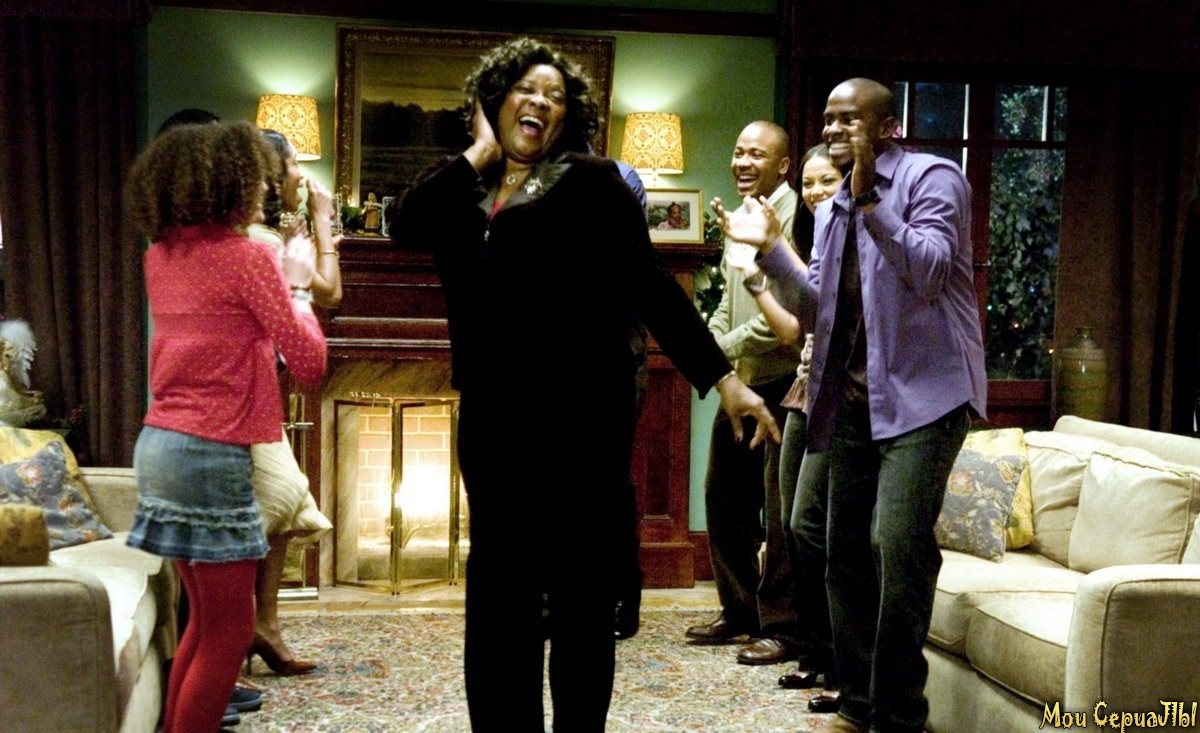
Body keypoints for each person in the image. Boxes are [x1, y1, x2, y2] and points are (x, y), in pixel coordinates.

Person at [391, 37, 780, 732]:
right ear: (493, 100)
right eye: (526, 90)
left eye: (556, 97)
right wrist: (480, 152)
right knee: (499, 600)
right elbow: (403, 225)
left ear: (569, 117)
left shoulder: (592, 183)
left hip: (580, 426)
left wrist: (723, 379)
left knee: (579, 604)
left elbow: (652, 286)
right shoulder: (461, 190)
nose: (541, 103)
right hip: (493, 425)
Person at [716, 77, 986, 733]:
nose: (833, 129)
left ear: (888, 127)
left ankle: (898, 713)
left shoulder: (933, 179)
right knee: (840, 549)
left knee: (895, 543)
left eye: (849, 120)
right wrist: (771, 250)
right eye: (828, 119)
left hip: (927, 398)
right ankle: (860, 700)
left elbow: (929, 270)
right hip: (855, 398)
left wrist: (868, 198)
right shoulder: (836, 205)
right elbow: (817, 310)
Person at [123, 119, 327, 733]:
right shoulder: (248, 258)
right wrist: (298, 287)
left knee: (206, 624)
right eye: (256, 179)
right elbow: (309, 361)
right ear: (229, 184)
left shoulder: (160, 255)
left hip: (160, 446)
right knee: (230, 630)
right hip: (210, 453)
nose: (264, 188)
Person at [724, 143, 843, 710]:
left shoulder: (840, 236)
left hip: (837, 397)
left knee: (815, 529)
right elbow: (799, 326)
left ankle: (831, 659)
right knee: (795, 526)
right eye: (812, 184)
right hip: (803, 387)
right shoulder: (816, 240)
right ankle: (814, 655)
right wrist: (753, 279)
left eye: (828, 181)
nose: (817, 193)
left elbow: (794, 329)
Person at [684, 120, 803, 668]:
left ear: (783, 165)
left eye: (757, 154)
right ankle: (739, 610)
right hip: (742, 382)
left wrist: (719, 349)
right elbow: (729, 306)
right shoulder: (740, 216)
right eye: (738, 152)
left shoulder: (794, 217)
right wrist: (714, 355)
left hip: (782, 384)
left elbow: (788, 317)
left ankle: (780, 626)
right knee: (723, 497)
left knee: (777, 514)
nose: (743, 162)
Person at [241, 128, 341, 676]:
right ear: (270, 174)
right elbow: (329, 292)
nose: (301, 173)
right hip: (248, 398)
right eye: (295, 163)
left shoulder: (264, 237)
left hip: (260, 393)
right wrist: (323, 225)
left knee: (283, 505)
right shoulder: (261, 243)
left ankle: (265, 625)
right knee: (280, 498)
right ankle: (238, 630)